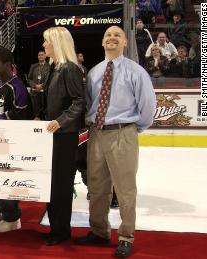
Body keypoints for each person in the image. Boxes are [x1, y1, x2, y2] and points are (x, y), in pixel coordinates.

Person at [75, 26, 156, 258]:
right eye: (108, 35)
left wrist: (132, 129)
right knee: (97, 186)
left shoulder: (136, 72)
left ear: (125, 43)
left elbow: (148, 107)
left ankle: (126, 237)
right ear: (102, 42)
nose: (112, 38)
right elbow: (90, 105)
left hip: (123, 132)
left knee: (124, 189)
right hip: (97, 133)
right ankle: (99, 231)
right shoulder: (94, 73)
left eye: (117, 35)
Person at [40, 27, 85, 246]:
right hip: (53, 135)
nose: (44, 45)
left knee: (61, 185)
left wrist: (61, 121)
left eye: (46, 42)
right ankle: (55, 227)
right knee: (52, 184)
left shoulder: (69, 69)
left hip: (64, 136)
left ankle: (61, 231)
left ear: (57, 43)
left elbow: (79, 102)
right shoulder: (55, 68)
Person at [0, 47, 32, 233]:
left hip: (11, 143)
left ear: (7, 65)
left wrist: (1, 119)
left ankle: (12, 218)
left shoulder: (17, 86)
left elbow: (22, 113)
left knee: (8, 178)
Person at [27, 50, 50, 120]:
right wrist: (35, 85)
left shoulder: (49, 67)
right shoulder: (33, 66)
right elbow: (29, 79)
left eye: (42, 55)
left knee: (44, 111)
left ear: (45, 56)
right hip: (34, 92)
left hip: (45, 92)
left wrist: (42, 86)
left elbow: (49, 79)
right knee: (36, 112)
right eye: (39, 55)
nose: (40, 56)